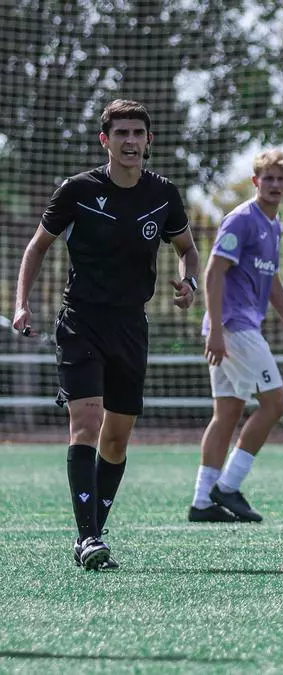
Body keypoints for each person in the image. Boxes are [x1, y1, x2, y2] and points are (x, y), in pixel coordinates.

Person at [10, 99, 199, 570]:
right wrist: (20, 303)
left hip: (131, 326)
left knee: (116, 441)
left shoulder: (163, 194)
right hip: (81, 321)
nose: (130, 141)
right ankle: (89, 537)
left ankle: (94, 529)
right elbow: (37, 247)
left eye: (138, 133)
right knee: (87, 424)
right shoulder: (76, 190)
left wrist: (189, 283)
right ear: (105, 140)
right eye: (121, 133)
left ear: (149, 140)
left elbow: (186, 249)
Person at [188, 150, 283, 523]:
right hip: (233, 327)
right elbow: (213, 272)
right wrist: (215, 329)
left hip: (237, 328)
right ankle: (228, 486)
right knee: (275, 403)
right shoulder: (242, 220)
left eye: (280, 178)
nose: (274, 184)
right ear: (256, 182)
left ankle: (202, 503)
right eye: (267, 178)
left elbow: (272, 283)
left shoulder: (274, 226)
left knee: (227, 413)